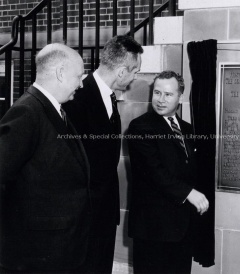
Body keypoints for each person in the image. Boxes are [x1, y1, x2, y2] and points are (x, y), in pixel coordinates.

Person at [0, 43, 89, 273]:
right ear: (60, 73)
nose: (81, 84)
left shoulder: (54, 108)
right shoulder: (27, 112)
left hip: (59, 247)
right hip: (37, 251)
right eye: (78, 76)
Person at [63, 35, 143, 273]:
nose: (135, 77)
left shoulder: (109, 96)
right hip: (82, 220)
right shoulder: (76, 98)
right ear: (121, 72)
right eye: (135, 71)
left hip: (104, 216)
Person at [127, 70, 209, 274]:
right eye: (157, 93)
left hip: (182, 228)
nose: (161, 100)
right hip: (153, 229)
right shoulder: (140, 127)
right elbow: (154, 172)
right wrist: (189, 193)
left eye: (168, 94)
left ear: (180, 96)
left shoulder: (187, 129)